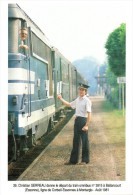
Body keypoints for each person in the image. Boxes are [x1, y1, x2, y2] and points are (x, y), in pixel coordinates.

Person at [57, 83, 92, 165]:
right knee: (75, 141)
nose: (81, 91)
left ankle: (84, 160)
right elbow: (69, 105)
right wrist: (61, 99)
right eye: (80, 89)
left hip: (83, 120)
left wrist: (86, 125)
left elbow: (89, 114)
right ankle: (73, 161)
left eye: (83, 90)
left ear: (85, 91)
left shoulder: (87, 101)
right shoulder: (78, 99)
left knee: (84, 141)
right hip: (77, 121)